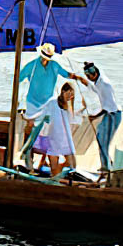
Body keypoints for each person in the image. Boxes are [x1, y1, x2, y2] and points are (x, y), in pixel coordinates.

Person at [15, 42, 72, 170]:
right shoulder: (33, 65)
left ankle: (43, 160)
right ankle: (27, 156)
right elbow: (18, 78)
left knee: (48, 131)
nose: (45, 59)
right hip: (32, 103)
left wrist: (79, 78)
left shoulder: (54, 66)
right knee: (31, 128)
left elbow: (66, 74)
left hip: (48, 104)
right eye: (44, 57)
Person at [32, 81, 80, 177]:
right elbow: (43, 117)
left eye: (72, 95)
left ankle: (56, 175)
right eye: (68, 93)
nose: (69, 97)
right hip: (53, 140)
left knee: (72, 165)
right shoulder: (53, 102)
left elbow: (73, 121)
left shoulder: (69, 107)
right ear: (62, 91)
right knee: (54, 169)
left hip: (65, 141)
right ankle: (54, 178)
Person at [82, 62, 123, 169]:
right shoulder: (98, 82)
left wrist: (94, 116)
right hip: (109, 113)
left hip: (113, 115)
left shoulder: (104, 84)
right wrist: (85, 82)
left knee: (104, 141)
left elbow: (109, 107)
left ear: (94, 74)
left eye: (89, 77)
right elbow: (95, 89)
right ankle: (107, 164)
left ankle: (107, 167)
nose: (89, 79)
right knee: (101, 138)